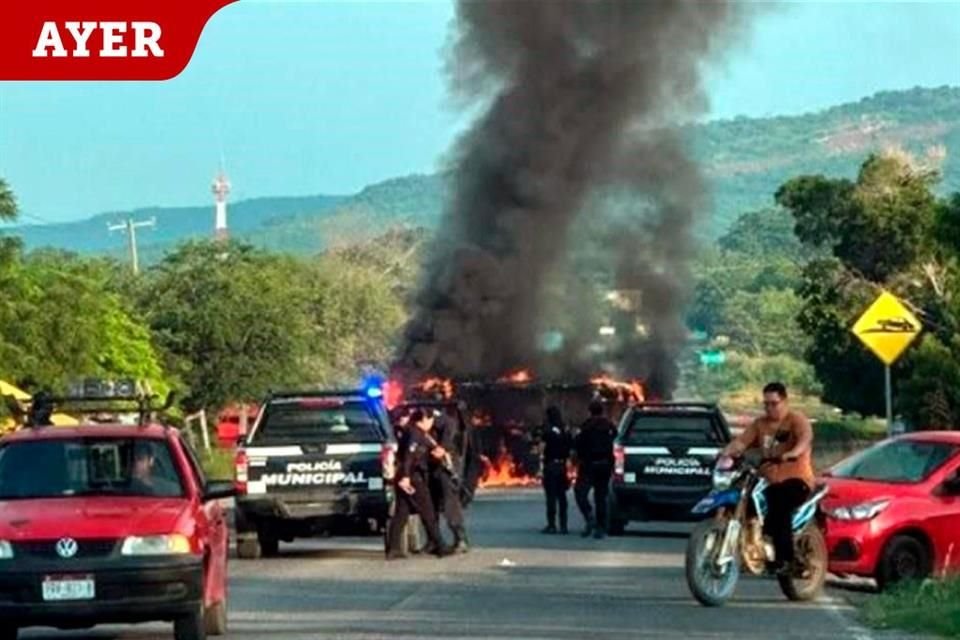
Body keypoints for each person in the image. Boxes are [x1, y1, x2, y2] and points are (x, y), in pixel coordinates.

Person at [720, 381, 815, 575]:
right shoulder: (759, 424)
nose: (770, 408)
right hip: (768, 481)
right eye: (766, 404)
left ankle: (785, 559)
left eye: (774, 403)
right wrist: (725, 453)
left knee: (778, 504)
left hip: (797, 481)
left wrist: (792, 453)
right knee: (742, 498)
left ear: (785, 401)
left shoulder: (796, 420)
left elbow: (805, 439)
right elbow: (741, 442)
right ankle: (748, 547)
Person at [386, 409, 454, 560]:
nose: (431, 424)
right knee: (428, 512)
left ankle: (393, 548)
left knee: (402, 513)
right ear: (424, 419)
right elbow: (409, 456)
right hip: (413, 477)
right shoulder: (415, 433)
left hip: (405, 476)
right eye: (430, 421)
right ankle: (440, 546)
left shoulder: (412, 431)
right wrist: (406, 477)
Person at [574, 400, 618, 539]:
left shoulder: (586, 425)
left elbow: (578, 444)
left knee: (580, 493)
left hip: (588, 466)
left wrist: (579, 457)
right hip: (604, 465)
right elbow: (616, 439)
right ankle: (600, 527)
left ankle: (589, 517)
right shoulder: (610, 426)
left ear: (590, 411)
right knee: (600, 497)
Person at [428, 407, 470, 553]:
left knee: (449, 503)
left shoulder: (444, 421)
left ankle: (460, 539)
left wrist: (443, 447)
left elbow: (449, 431)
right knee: (430, 505)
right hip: (428, 467)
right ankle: (433, 540)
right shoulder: (417, 419)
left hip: (446, 466)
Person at [537, 405, 573, 534]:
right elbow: (570, 449)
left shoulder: (547, 431)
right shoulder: (565, 430)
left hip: (550, 466)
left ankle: (552, 525)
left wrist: (540, 467)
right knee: (562, 497)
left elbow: (541, 449)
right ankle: (564, 526)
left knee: (551, 496)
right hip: (562, 466)